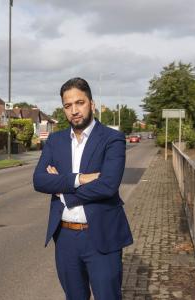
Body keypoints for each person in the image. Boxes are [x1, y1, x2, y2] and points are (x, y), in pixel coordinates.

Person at [33, 77, 133, 300]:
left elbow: (107, 186)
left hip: (102, 237)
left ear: (92, 104)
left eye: (80, 103)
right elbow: (39, 181)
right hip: (66, 237)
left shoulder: (112, 138)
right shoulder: (55, 141)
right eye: (68, 106)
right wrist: (80, 179)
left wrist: (61, 188)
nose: (74, 111)